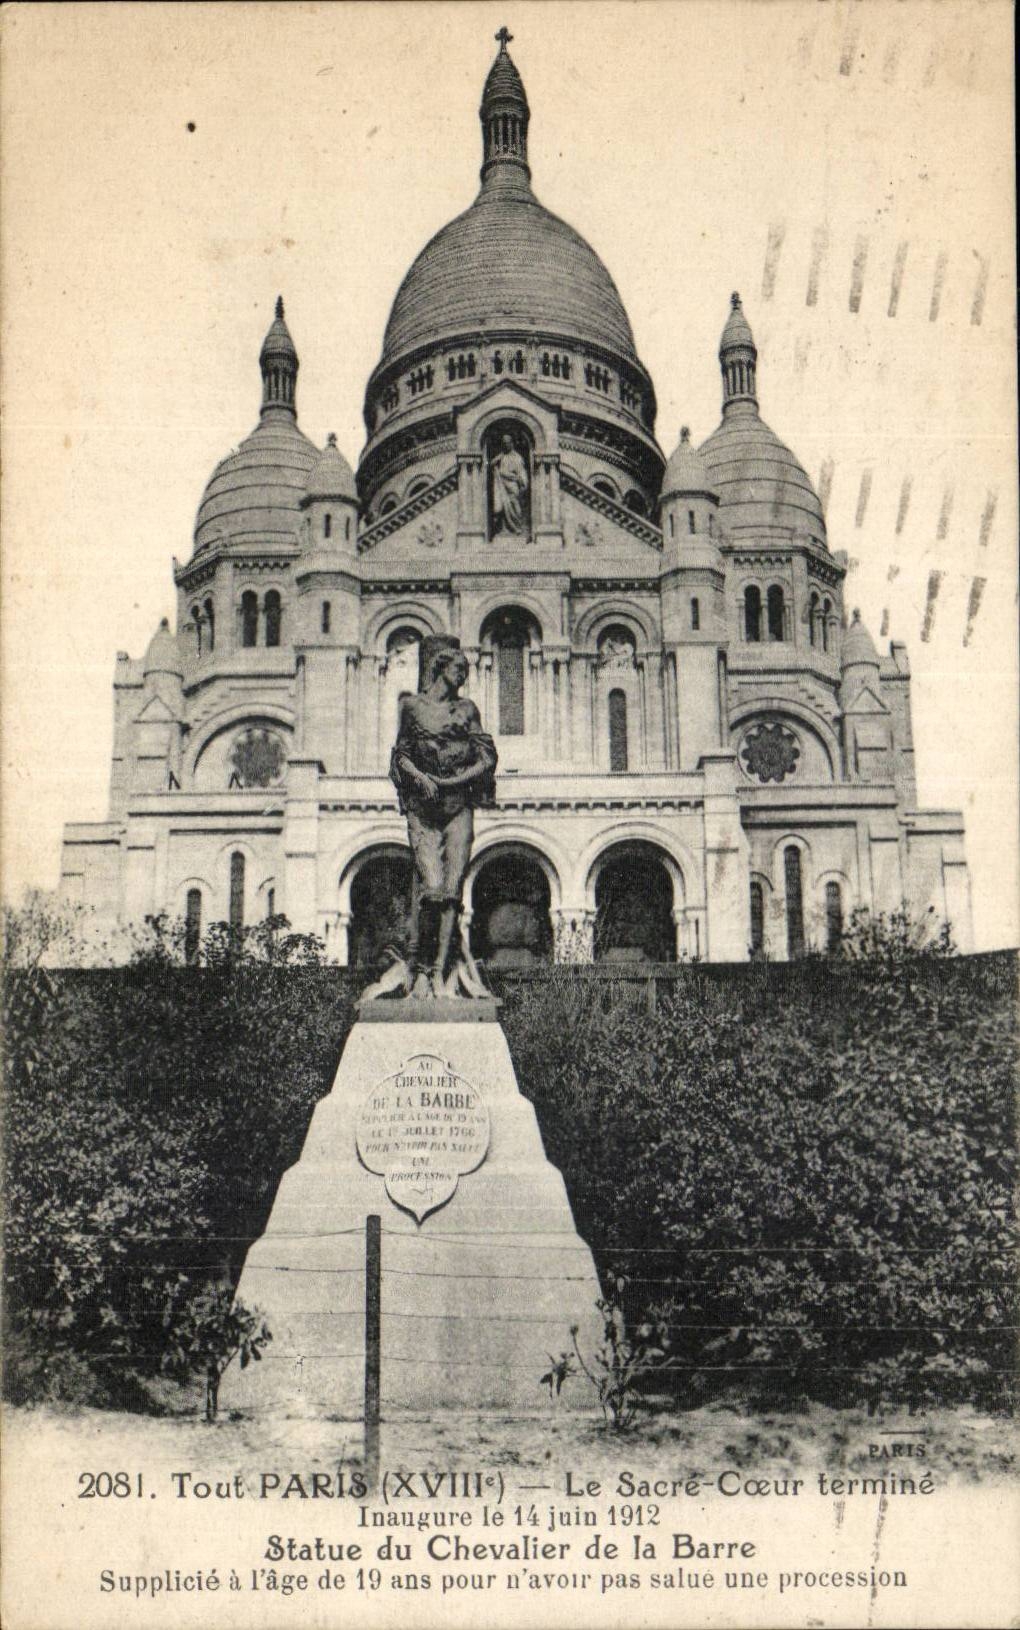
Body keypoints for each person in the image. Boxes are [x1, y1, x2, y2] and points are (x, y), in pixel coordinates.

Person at [384, 635, 497, 997]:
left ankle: (438, 974)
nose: (463, 675)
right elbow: (400, 755)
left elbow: (486, 758)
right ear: (440, 668)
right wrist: (421, 778)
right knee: (431, 889)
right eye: (458, 668)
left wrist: (451, 781)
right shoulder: (413, 707)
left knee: (452, 892)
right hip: (423, 811)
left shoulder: (467, 710)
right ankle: (417, 969)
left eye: (466, 670)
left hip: (457, 810)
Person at [490, 434, 529, 536]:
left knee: (514, 504)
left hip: (512, 485)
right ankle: (506, 529)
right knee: (504, 506)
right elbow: (492, 463)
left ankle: (518, 526)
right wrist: (499, 457)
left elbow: (521, 473)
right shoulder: (502, 456)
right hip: (502, 484)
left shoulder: (517, 457)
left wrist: (522, 483)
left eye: (508, 443)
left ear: (512, 443)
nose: (506, 445)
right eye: (504, 443)